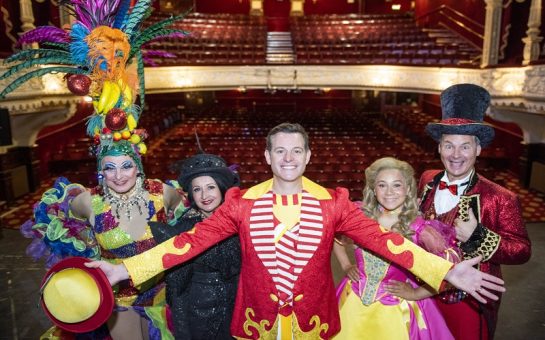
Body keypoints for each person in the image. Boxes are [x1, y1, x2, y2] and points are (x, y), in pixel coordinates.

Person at [88, 122, 505, 340]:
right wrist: (124, 271)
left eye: (296, 150)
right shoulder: (241, 203)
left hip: (315, 325)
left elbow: (388, 242)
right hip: (257, 324)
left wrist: (446, 272)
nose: (288, 158)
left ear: (308, 155)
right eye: (280, 151)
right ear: (268, 156)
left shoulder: (334, 202)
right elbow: (187, 242)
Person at [418, 83, 531, 339]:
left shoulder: (502, 197)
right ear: (439, 148)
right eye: (448, 145)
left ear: (478, 150)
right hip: (424, 289)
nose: (456, 154)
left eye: (465, 146)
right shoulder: (426, 179)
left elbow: (522, 250)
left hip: (469, 298)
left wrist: (478, 236)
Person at [333, 157, 460, 339]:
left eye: (397, 185)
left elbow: (450, 273)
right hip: (351, 302)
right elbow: (336, 238)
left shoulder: (419, 230)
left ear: (408, 189)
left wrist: (417, 293)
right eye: (382, 185)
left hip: (396, 310)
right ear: (373, 189)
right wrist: (346, 265)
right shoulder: (360, 216)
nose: (389, 192)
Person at [149, 152, 241, 339]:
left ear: (222, 188)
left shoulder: (241, 221)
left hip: (239, 311)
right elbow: (178, 290)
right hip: (199, 316)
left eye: (210, 187)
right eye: (197, 189)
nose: (205, 195)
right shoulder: (184, 228)